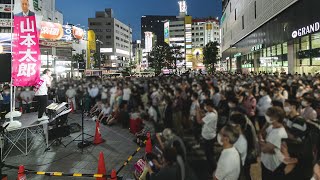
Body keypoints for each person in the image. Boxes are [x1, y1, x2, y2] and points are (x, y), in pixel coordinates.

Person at [260, 106, 288, 180]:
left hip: (272, 166)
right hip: (266, 162)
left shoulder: (278, 133)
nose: (266, 116)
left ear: (276, 118)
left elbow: (265, 150)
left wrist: (261, 142)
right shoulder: (272, 126)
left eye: (268, 115)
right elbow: (262, 134)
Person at [196, 99, 218, 177]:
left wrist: (197, 111)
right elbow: (205, 115)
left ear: (209, 106)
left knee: (209, 155)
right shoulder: (212, 111)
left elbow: (199, 121)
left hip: (209, 137)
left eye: (205, 106)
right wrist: (202, 113)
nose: (204, 107)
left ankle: (213, 170)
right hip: (210, 135)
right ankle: (212, 168)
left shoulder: (212, 115)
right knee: (210, 153)